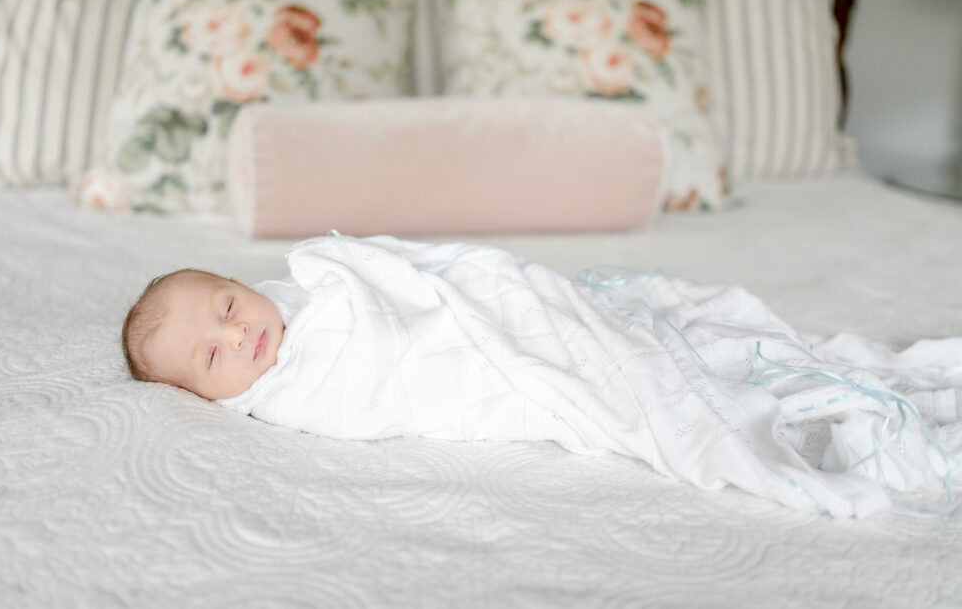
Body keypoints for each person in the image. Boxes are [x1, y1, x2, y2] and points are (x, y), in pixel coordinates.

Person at [122, 233, 960, 518]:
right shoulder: (299, 395)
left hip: (527, 314)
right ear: (204, 399)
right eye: (212, 355)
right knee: (633, 388)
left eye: (228, 306)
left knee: (670, 329)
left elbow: (444, 276)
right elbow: (397, 372)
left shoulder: (317, 287)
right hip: (492, 369)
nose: (239, 337)